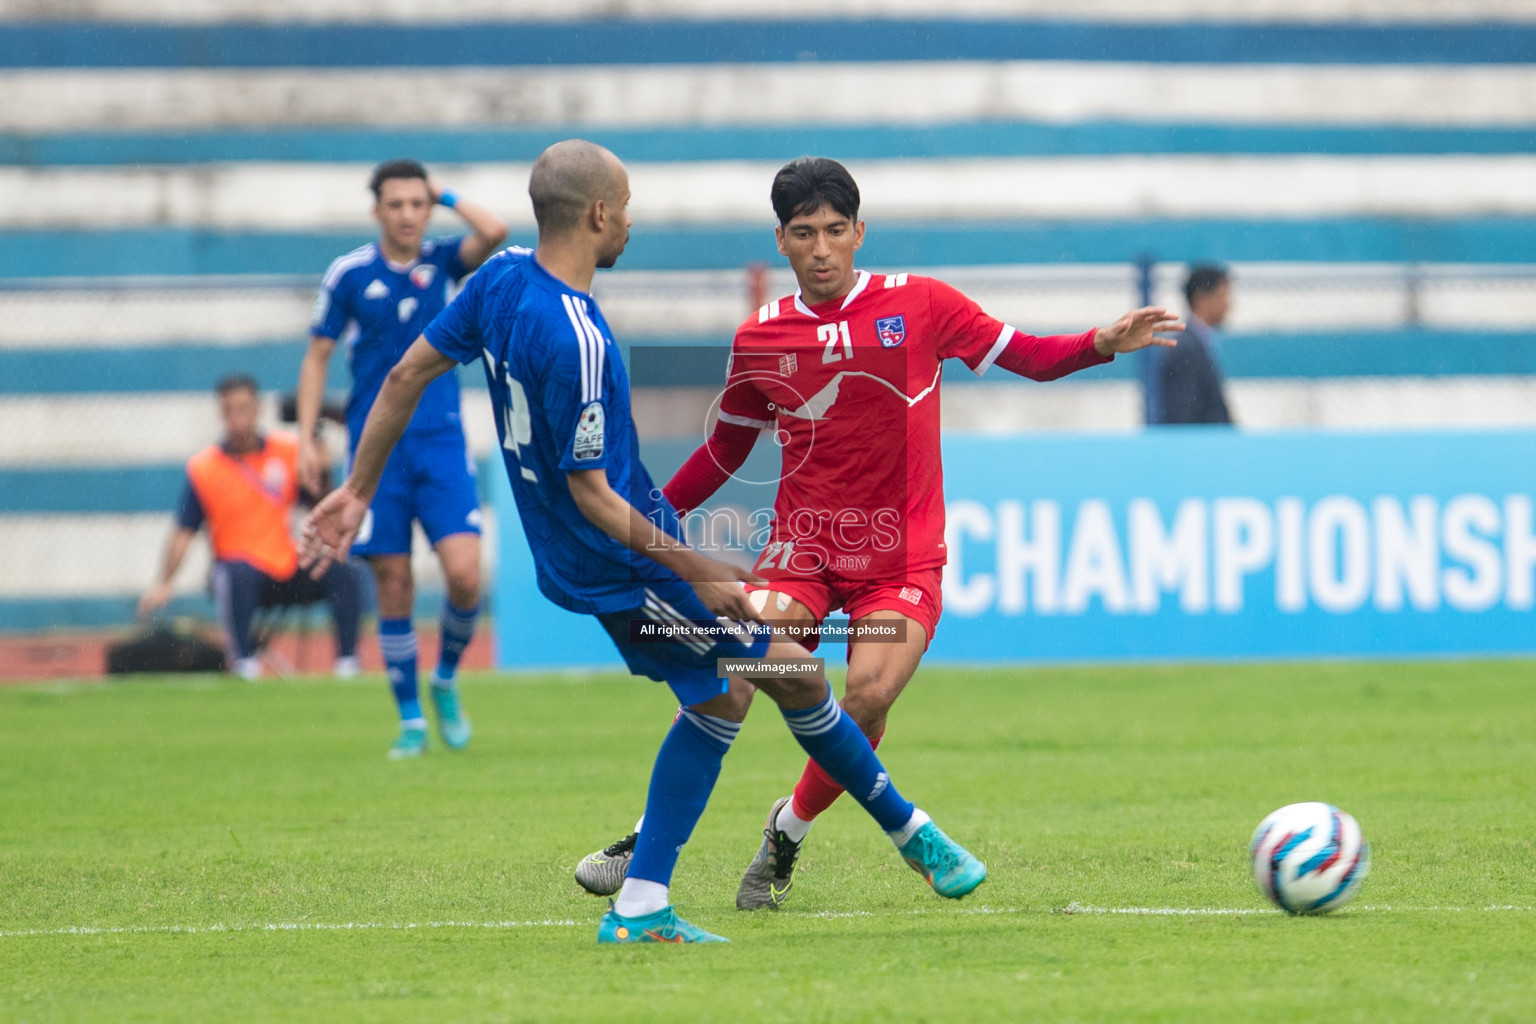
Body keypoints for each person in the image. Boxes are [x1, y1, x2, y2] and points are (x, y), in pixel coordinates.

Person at [299, 140, 988, 945]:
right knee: (795, 678)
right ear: (598, 216)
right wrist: (698, 564)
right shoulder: (581, 338)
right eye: (624, 206)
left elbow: (402, 377)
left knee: (720, 695)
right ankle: (914, 836)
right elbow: (595, 495)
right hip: (623, 557)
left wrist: (357, 488)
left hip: (573, 553)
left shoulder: (496, 281)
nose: (631, 220)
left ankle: (643, 893)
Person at [573, 157, 1181, 909]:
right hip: (801, 555)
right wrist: (648, 525)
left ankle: (785, 832)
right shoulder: (761, 338)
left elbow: (1025, 354)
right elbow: (725, 452)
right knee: (737, 677)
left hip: (900, 558)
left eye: (835, 230)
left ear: (860, 233)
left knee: (866, 695)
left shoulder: (920, 306)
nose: (822, 247)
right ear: (782, 240)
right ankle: (649, 830)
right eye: (804, 233)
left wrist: (1099, 342)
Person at [298, 158, 508, 759]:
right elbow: (317, 357)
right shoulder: (349, 274)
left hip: (440, 443)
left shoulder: (442, 261)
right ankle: (411, 718)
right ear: (377, 211)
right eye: (397, 204)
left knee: (466, 575)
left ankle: (444, 676)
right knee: (394, 581)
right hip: (375, 451)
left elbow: (494, 231)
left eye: (419, 203)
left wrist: (445, 192)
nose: (409, 214)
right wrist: (309, 434)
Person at [139, 374, 361, 681]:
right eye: (230, 410)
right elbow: (184, 530)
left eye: (244, 408)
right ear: (222, 414)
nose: (238, 418)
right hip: (237, 567)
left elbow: (320, 504)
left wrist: (322, 470)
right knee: (236, 574)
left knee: (342, 569)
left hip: (283, 561)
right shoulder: (204, 468)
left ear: (257, 409)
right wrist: (165, 580)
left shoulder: (286, 452)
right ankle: (245, 663)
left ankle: (347, 663)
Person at [1154, 264, 1234, 425]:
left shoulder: (1197, 342)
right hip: (1200, 445)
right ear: (1200, 300)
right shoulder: (1186, 348)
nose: (1228, 304)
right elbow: (1182, 414)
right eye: (1223, 295)